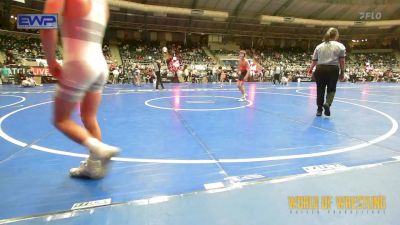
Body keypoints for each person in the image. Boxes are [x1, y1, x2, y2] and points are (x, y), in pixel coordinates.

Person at [40, 0, 119, 179]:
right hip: (99, 65)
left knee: (61, 120)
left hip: (79, 64)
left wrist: (51, 61)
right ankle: (93, 167)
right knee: (89, 117)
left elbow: (47, 26)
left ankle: (100, 149)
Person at [308, 27, 346, 117]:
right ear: (336, 35)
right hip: (333, 70)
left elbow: (314, 61)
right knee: (331, 88)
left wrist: (310, 70)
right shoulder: (340, 46)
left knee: (320, 89)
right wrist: (342, 72)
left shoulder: (319, 46)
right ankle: (328, 103)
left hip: (320, 69)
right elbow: (342, 61)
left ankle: (319, 110)